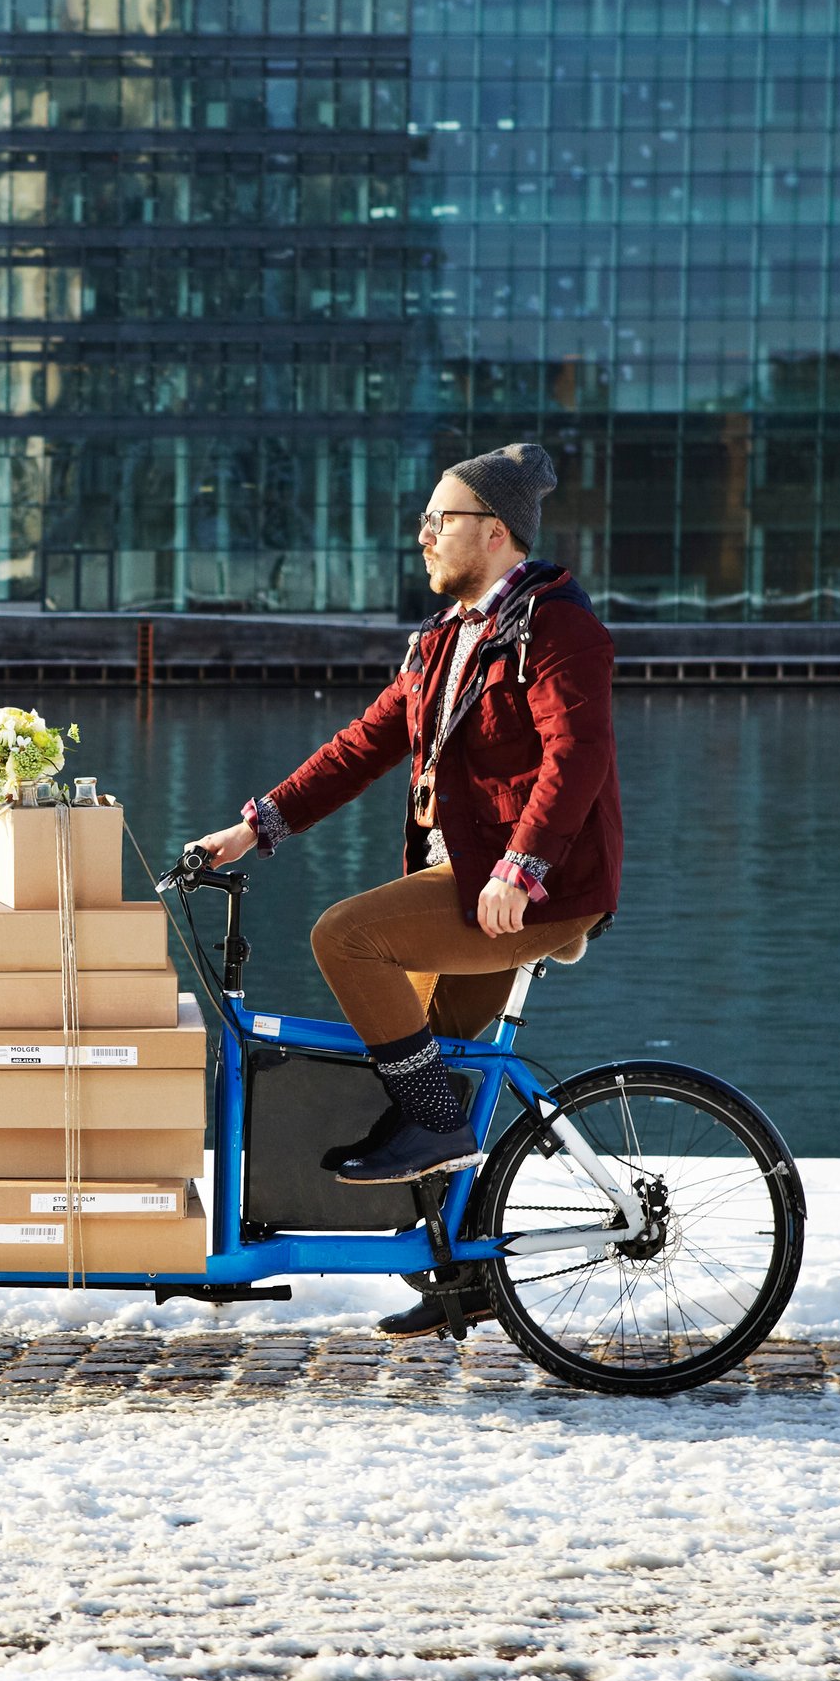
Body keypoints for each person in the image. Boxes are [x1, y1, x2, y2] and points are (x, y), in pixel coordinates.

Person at [192, 442, 623, 1339]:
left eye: (442, 519)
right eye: (426, 519)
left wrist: (523, 865)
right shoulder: (442, 641)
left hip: (523, 888)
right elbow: (362, 746)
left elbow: (575, 755)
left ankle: (431, 1126)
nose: (422, 535)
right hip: (470, 879)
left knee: (346, 940)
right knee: (439, 1069)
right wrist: (258, 824)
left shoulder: (554, 625)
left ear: (495, 532)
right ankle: (462, 1275)